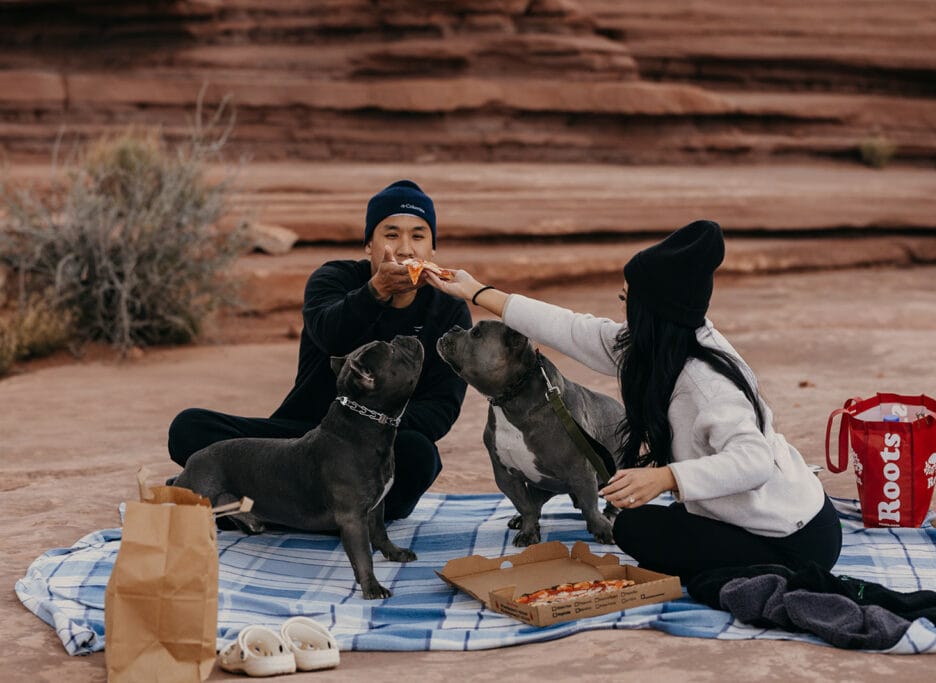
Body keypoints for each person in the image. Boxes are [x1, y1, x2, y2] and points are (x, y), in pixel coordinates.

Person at [426, 219, 841, 580]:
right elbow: (571, 329)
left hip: (793, 536)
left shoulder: (706, 383)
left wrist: (666, 477)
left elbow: (754, 462)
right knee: (644, 527)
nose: (621, 313)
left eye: (627, 302)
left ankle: (763, 570)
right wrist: (477, 291)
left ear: (653, 311)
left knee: (636, 531)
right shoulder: (661, 344)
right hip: (750, 517)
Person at [168, 179, 472, 520]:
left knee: (420, 455)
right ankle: (319, 518)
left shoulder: (448, 310)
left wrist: (372, 425)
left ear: (432, 250)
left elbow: (441, 409)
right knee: (189, 428)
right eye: (390, 234)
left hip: (375, 450)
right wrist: (376, 292)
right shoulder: (332, 280)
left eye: (418, 236)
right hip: (300, 441)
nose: (404, 249)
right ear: (368, 244)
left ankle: (268, 509)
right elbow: (332, 336)